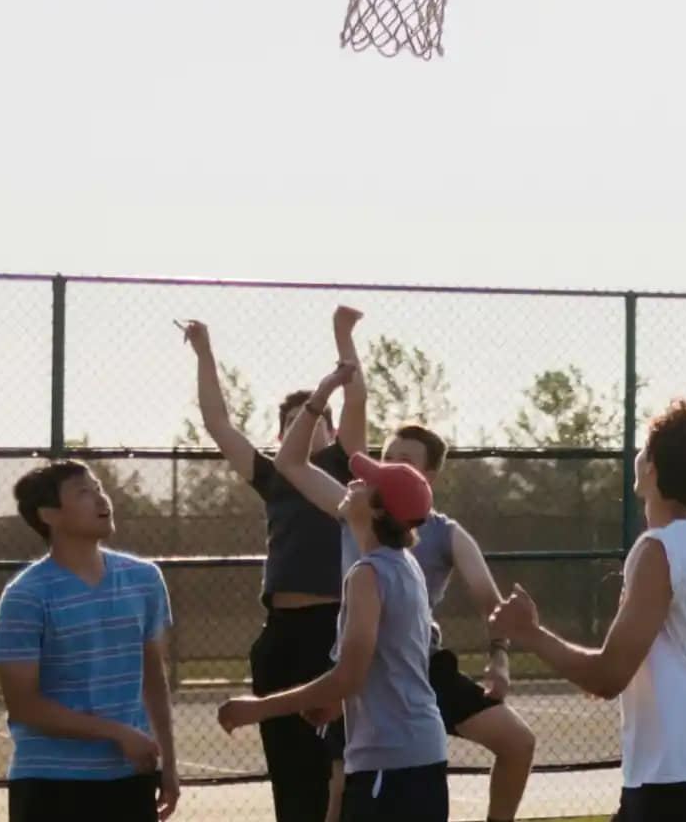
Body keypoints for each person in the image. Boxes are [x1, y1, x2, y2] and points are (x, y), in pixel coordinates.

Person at [264, 340, 536, 822]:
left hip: (420, 667)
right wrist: (322, 395)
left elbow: (488, 600)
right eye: (386, 457)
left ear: (429, 476)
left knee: (517, 743)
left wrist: (500, 661)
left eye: (404, 461)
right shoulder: (357, 510)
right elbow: (290, 464)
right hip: (368, 671)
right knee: (340, 791)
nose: (388, 467)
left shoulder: (446, 534)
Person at [488, 399, 686, 822]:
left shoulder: (658, 550)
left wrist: (530, 633)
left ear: (651, 469)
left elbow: (608, 677)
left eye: (644, 448)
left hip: (674, 783)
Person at [218, 362, 450, 822]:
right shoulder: (388, 556)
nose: (355, 480)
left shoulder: (371, 572)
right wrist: (321, 393)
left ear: (379, 510)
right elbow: (289, 462)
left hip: (394, 760)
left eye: (367, 482)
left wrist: (257, 709)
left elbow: (349, 676)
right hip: (406, 754)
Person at [183, 307, 366, 822]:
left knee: (336, 761)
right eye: (290, 424)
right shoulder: (273, 478)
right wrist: (205, 353)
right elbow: (217, 422)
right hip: (280, 631)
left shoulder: (344, 467)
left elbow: (357, 397)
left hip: (332, 628)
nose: (303, 428)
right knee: (287, 764)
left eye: (311, 421)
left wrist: (343, 337)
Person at [0, 461, 179, 822]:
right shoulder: (25, 596)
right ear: (49, 515)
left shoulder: (144, 579)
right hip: (50, 782)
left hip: (130, 777)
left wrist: (168, 761)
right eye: (83, 492)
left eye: (98, 487)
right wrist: (117, 732)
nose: (100, 497)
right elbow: (24, 706)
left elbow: (154, 677)